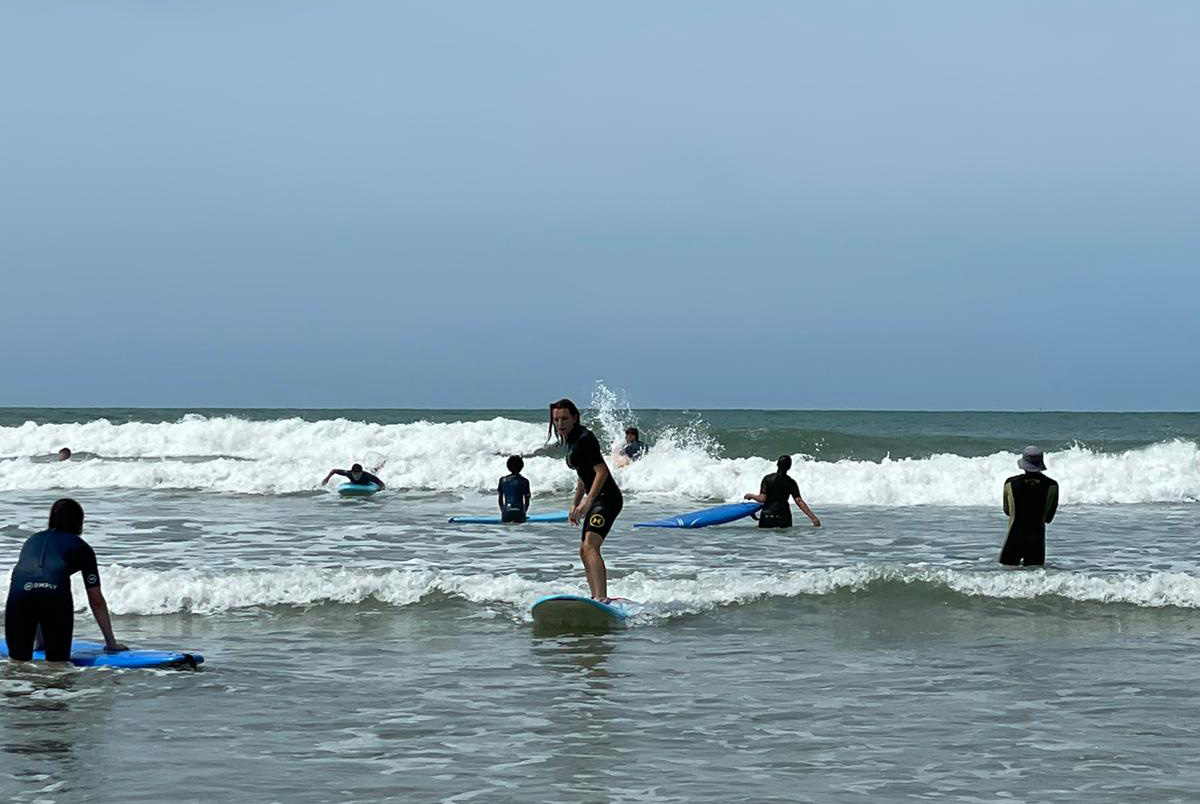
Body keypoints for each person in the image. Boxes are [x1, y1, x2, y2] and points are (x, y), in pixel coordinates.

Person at [5, 499, 126, 661]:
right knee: (58, 668)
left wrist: (40, 643)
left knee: (17, 665)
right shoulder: (81, 547)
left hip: (19, 596)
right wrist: (111, 643)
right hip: (54, 599)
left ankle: (27, 666)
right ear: (79, 522)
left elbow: (36, 583)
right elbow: (96, 600)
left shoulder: (31, 541)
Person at [549, 398, 623, 601]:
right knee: (584, 549)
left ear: (574, 418)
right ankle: (595, 597)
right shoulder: (572, 440)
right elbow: (583, 475)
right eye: (556, 420)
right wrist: (575, 504)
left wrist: (588, 501)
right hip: (596, 499)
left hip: (607, 499)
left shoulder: (585, 438)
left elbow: (601, 472)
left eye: (564, 418)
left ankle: (601, 598)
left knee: (591, 545)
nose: (560, 423)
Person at [999, 446, 1058, 566]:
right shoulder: (1052, 485)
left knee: (1005, 576)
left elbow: (1007, 511)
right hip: (1037, 540)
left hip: (1014, 538)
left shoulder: (1010, 483)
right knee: (1035, 579)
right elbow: (1048, 518)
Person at [744, 455, 821, 529]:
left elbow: (762, 498)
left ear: (777, 464)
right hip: (783, 517)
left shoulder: (767, 479)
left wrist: (751, 496)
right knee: (784, 542)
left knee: (766, 541)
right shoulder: (791, 482)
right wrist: (813, 518)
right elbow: (799, 501)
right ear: (789, 467)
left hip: (767, 516)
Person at [497, 455, 532, 524]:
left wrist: (504, 512)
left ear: (508, 467)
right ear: (522, 467)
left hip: (506, 513)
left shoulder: (502, 480)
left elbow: (500, 501)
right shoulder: (525, 481)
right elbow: (527, 501)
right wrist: (524, 514)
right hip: (519, 514)